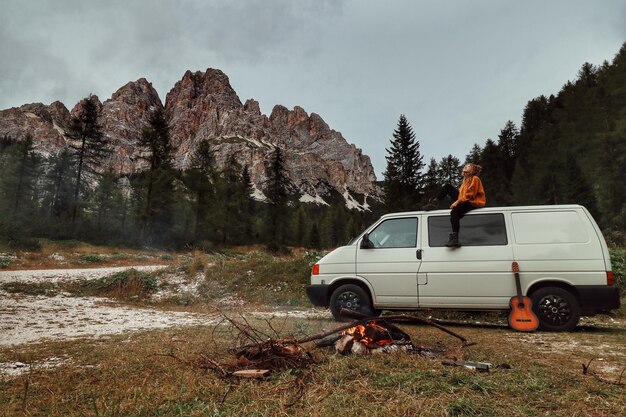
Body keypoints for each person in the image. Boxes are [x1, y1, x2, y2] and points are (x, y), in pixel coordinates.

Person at [423, 163, 486, 247]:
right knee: (447, 187)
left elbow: (470, 195)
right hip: (464, 200)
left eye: (468, 166)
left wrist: (457, 202)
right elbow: (461, 195)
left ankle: (455, 239)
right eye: (465, 166)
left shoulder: (475, 178)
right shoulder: (465, 181)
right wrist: (458, 201)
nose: (465, 167)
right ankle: (434, 203)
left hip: (473, 202)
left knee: (454, 212)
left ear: (472, 170)